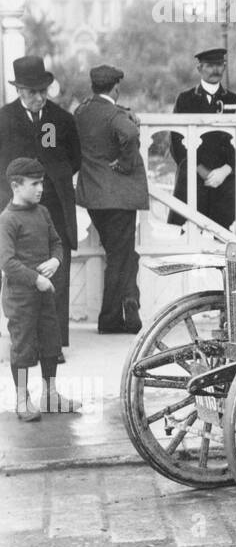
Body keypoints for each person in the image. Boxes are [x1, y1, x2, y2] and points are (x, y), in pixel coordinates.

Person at [0, 56, 80, 351]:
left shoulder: (61, 119)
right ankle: (25, 342)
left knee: (56, 268)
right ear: (19, 90)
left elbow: (74, 159)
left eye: (43, 90)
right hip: (16, 210)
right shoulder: (4, 119)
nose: (39, 97)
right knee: (20, 272)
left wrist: (48, 185)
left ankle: (53, 344)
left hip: (55, 207)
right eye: (32, 91)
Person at [74, 65, 149, 334]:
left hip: (94, 196)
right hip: (119, 196)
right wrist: (126, 165)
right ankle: (109, 318)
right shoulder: (114, 114)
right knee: (121, 257)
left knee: (124, 255)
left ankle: (130, 304)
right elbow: (129, 134)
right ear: (116, 87)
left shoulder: (82, 111)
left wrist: (124, 112)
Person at [1, 158, 69, 419]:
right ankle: (22, 400)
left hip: (44, 295)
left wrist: (55, 259)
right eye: (34, 183)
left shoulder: (43, 213)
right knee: (23, 347)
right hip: (20, 298)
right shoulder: (7, 220)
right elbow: (7, 262)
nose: (41, 188)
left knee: (51, 343)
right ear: (16, 186)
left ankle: (51, 396)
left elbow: (57, 243)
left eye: (41, 182)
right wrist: (36, 279)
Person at [168, 48, 236, 231]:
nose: (215, 70)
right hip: (194, 176)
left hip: (225, 180)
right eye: (209, 65)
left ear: (224, 67)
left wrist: (227, 169)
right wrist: (200, 169)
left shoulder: (235, 100)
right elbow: (176, 142)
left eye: (219, 65)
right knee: (187, 235)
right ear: (199, 68)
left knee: (226, 236)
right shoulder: (185, 100)